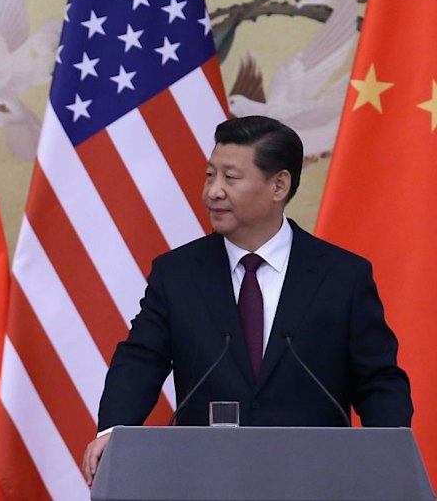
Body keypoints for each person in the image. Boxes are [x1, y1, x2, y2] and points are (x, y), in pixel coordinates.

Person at [82, 115, 412, 486]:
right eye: (210, 175)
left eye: (230, 177)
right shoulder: (177, 273)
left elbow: (377, 379)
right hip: (206, 480)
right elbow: (140, 360)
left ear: (279, 185)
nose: (213, 192)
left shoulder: (342, 276)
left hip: (316, 480)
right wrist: (114, 429)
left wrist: (390, 451)